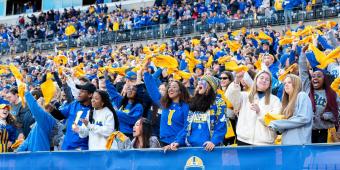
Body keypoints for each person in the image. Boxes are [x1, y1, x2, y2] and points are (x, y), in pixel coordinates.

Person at [168, 75, 227, 151]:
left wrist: (213, 142)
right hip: (190, 148)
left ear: (210, 86)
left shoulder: (219, 102)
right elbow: (187, 126)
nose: (199, 83)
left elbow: (221, 125)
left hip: (210, 149)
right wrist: (178, 141)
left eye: (203, 81)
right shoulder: (194, 102)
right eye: (199, 81)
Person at [226, 70, 282, 145]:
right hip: (243, 141)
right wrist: (236, 82)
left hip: (264, 143)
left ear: (270, 84)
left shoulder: (275, 100)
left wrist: (259, 112)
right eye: (261, 78)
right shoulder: (244, 96)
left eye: (267, 79)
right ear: (256, 80)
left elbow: (273, 122)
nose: (264, 80)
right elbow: (230, 98)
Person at [143, 62, 190, 147]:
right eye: (169, 87)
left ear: (180, 91)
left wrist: (178, 141)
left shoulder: (185, 106)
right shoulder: (165, 104)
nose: (170, 89)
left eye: (174, 87)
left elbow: (187, 127)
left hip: (178, 145)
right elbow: (152, 89)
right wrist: (146, 71)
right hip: (164, 143)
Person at [299, 45, 339, 143]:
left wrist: (328, 116)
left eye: (319, 76)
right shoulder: (307, 89)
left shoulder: (333, 94)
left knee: (323, 157)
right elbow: (303, 72)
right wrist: (302, 54)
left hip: (327, 131)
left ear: (325, 79)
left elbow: (338, 113)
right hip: (309, 131)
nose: (315, 78)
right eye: (313, 76)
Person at [50, 82, 96, 150]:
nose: (79, 93)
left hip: (82, 149)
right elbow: (61, 116)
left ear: (90, 94)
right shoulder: (75, 103)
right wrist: (51, 109)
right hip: (66, 146)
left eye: (82, 91)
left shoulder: (94, 110)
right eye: (79, 91)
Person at [269, 74, 313, 145]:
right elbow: (284, 127)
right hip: (286, 146)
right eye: (285, 83)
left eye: (289, 82)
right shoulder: (286, 104)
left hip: (299, 146)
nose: (286, 85)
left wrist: (277, 123)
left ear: (296, 84)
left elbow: (303, 118)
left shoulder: (302, 95)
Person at [105, 74, 143, 139]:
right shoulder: (122, 101)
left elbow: (132, 119)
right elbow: (112, 92)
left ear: (137, 93)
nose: (130, 90)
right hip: (118, 134)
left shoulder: (138, 106)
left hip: (129, 135)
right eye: (128, 88)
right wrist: (106, 79)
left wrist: (115, 112)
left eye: (133, 89)